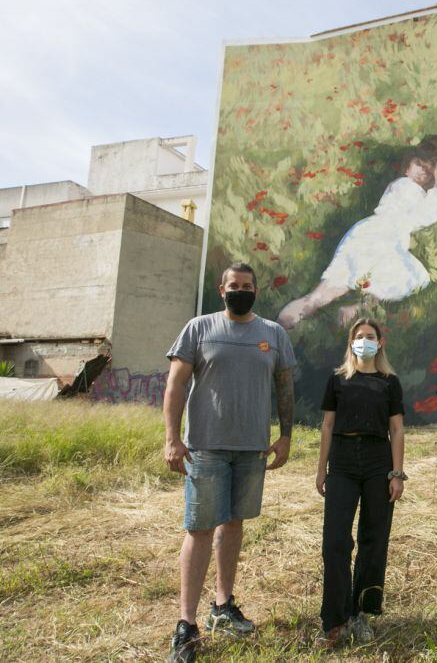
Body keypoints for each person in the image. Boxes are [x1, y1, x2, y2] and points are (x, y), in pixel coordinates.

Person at [163, 262, 297, 662]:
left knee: (234, 525)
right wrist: (172, 439)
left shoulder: (272, 334)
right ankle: (186, 626)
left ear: (256, 290)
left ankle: (222, 606)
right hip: (205, 448)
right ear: (222, 290)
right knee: (200, 528)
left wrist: (286, 435)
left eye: (247, 285)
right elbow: (175, 385)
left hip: (251, 450)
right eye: (233, 285)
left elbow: (284, 387)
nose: (241, 290)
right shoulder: (199, 329)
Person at [277, 153, 437, 330]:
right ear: (407, 168)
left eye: (427, 169)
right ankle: (355, 309)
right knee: (415, 277)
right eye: (418, 164)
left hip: (366, 236)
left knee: (326, 292)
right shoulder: (406, 186)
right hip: (380, 241)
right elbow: (425, 215)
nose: (422, 170)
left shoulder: (409, 189)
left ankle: (291, 321)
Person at [315, 317, 406, 645]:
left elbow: (396, 430)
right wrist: (321, 468)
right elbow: (327, 426)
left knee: (374, 538)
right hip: (342, 460)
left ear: (380, 343)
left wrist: (396, 473)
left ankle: (361, 613)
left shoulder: (389, 382)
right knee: (335, 541)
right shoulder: (338, 379)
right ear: (351, 342)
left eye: (370, 336)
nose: (364, 341)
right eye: (359, 336)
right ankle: (334, 618)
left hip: (377, 460)